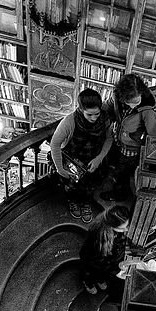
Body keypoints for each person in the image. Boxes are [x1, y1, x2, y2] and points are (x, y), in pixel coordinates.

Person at [50, 88, 113, 223]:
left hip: (92, 159)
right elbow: (55, 144)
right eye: (89, 115)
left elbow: (109, 139)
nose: (94, 118)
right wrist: (61, 169)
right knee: (71, 186)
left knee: (90, 186)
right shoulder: (69, 121)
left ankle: (85, 203)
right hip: (73, 160)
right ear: (80, 109)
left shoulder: (105, 119)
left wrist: (99, 158)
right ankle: (73, 201)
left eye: (96, 114)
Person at [101, 74, 156, 198]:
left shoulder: (147, 111)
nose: (133, 105)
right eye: (129, 102)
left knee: (122, 173)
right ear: (122, 98)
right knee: (113, 165)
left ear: (141, 93)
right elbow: (106, 106)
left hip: (131, 148)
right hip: (117, 139)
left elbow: (155, 135)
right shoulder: (117, 99)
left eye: (136, 101)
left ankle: (119, 194)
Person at [79, 205, 131, 295]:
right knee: (90, 273)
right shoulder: (98, 239)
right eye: (121, 228)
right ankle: (89, 283)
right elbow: (97, 263)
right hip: (93, 262)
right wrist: (116, 272)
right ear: (111, 226)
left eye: (127, 226)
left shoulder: (113, 232)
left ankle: (100, 279)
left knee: (101, 275)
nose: (126, 230)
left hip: (105, 261)